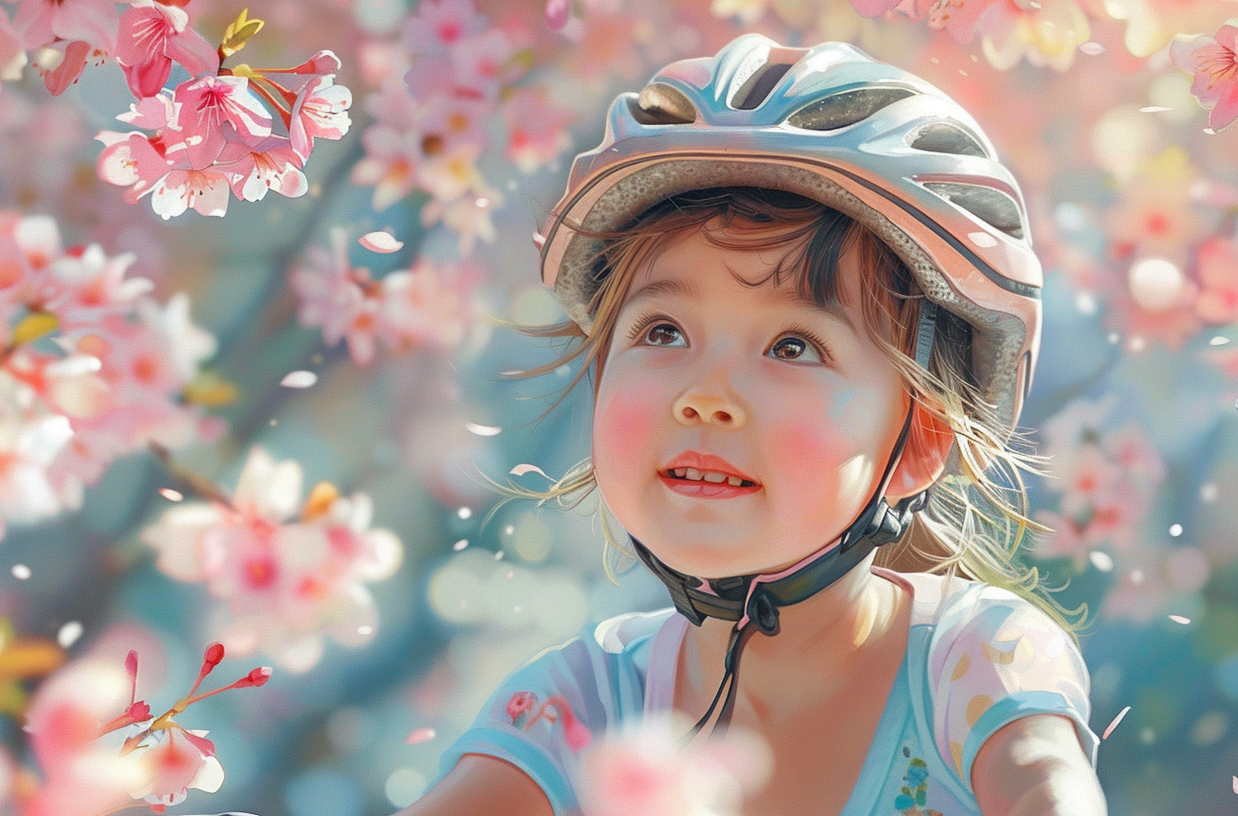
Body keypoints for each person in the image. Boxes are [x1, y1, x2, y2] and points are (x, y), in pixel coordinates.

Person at [400, 35, 1106, 816]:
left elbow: (1047, 787)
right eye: (662, 331)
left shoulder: (976, 666)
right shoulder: (586, 702)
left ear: (922, 443)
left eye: (793, 346)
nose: (707, 396)